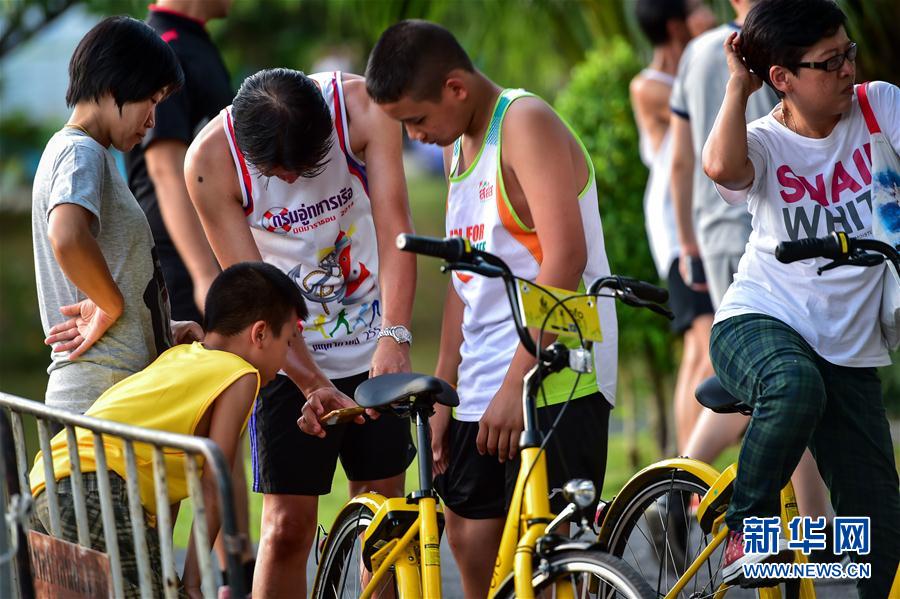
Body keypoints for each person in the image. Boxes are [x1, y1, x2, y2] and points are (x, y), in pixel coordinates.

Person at [366, 20, 618, 598]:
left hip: (556, 381)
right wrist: (444, 392)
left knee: (553, 568)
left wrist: (517, 381)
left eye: (415, 119)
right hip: (482, 386)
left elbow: (566, 259)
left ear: (455, 88)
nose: (413, 136)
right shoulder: (458, 145)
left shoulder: (524, 123)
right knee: (470, 542)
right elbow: (462, 286)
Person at [185, 67, 417, 596]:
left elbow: (396, 228)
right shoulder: (209, 162)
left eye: (306, 168)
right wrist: (311, 382)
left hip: (374, 342)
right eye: (276, 172)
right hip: (282, 358)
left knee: (384, 526)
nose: (291, 182)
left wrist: (395, 335)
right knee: (287, 528)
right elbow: (254, 299)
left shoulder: (362, 108)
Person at [702, 0, 900, 594]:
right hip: (759, 321)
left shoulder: (879, 106)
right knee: (794, 384)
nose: (848, 70)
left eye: (849, 52)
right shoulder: (762, 140)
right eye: (828, 61)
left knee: (877, 537)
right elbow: (720, 166)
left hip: (850, 348)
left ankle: (800, 546)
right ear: (781, 79)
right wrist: (739, 87)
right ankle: (747, 528)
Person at [30, 262, 307, 599]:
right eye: (288, 342)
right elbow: (213, 486)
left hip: (47, 479)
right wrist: (191, 581)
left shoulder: (180, 357)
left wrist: (170, 573)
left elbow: (164, 490)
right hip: (96, 488)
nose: (285, 361)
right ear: (260, 333)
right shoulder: (240, 375)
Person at [124, 0, 254, 583]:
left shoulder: (195, 40)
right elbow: (164, 168)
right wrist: (206, 276)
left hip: (206, 264)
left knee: (226, 427)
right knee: (191, 433)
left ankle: (228, 575)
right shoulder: (167, 47)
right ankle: (180, 582)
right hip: (182, 270)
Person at [31, 16, 197, 421]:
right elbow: (67, 235)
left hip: (117, 397)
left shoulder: (91, 155)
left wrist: (159, 328)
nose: (154, 120)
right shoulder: (80, 151)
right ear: (113, 86)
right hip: (98, 404)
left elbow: (113, 264)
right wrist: (110, 305)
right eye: (152, 101)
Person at [630, 0, 716, 454]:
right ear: (675, 24)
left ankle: (683, 478)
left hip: (702, 223)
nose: (709, 12)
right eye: (698, 7)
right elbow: (708, 103)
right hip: (680, 230)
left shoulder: (697, 67)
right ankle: (689, 475)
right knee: (705, 342)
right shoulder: (649, 86)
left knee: (696, 348)